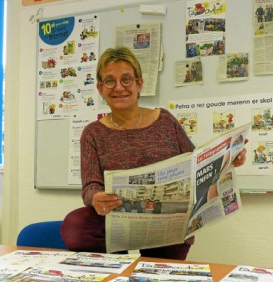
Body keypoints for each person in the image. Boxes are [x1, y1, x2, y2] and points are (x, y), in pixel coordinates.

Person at [60, 46, 247, 260]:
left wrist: (230, 159)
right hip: (115, 220)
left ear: (139, 83)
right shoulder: (92, 133)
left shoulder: (165, 121)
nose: (119, 87)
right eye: (110, 81)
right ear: (101, 88)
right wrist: (97, 197)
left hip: (165, 222)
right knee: (75, 225)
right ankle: (116, 261)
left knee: (166, 255)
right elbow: (90, 187)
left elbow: (196, 165)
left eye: (127, 79)